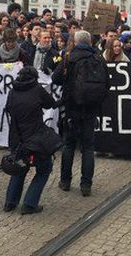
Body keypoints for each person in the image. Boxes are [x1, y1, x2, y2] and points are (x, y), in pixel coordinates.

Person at [52, 30, 107, 196]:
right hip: (91, 109)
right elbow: (108, 83)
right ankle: (86, 185)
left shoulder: (69, 58)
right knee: (88, 147)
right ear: (90, 42)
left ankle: (65, 181)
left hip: (72, 108)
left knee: (69, 145)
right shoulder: (98, 58)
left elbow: (55, 78)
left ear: (75, 42)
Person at [4, 66, 57, 214]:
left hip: (17, 138)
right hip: (36, 139)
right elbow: (50, 103)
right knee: (44, 169)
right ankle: (29, 203)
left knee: (19, 168)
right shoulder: (37, 89)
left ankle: (10, 202)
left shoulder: (13, 91)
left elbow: (8, 108)